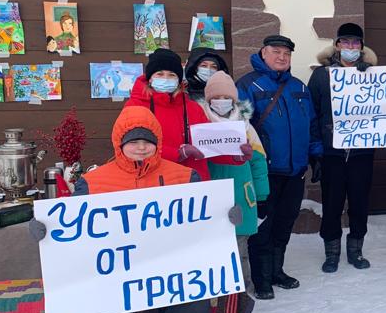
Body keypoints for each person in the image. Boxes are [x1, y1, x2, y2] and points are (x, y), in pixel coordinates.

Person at [39, 107, 229, 313]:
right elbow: (73, 227)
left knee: (195, 307)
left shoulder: (184, 175)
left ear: (157, 141)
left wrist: (226, 216)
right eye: (132, 140)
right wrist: (47, 230)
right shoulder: (94, 181)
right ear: (119, 143)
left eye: (147, 140)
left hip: (172, 273)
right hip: (117, 276)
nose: (141, 146)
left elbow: (205, 221)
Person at [237, 35, 321, 299]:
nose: (282, 57)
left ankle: (277, 271)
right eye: (276, 52)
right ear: (263, 53)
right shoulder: (247, 86)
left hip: (295, 171)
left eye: (287, 53)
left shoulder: (299, 87)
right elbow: (240, 129)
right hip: (265, 172)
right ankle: (261, 279)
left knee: (284, 223)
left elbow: (312, 125)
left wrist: (315, 155)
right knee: (263, 226)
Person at [309, 23, 379, 273]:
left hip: (361, 152)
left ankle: (355, 249)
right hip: (332, 153)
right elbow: (313, 113)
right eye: (346, 42)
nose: (351, 47)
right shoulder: (321, 75)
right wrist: (317, 150)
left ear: (361, 47)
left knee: (360, 202)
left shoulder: (372, 73)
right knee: (332, 203)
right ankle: (332, 251)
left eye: (355, 43)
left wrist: (367, 76)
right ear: (337, 45)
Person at [126, 48, 248, 182]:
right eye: (160, 74)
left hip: (193, 182)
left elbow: (209, 144)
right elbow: (132, 147)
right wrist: (177, 154)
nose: (166, 79)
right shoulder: (135, 106)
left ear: (179, 79)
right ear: (150, 78)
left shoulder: (193, 108)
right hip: (154, 184)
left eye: (172, 75)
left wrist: (236, 154)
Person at [200, 72, 270, 296]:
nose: (221, 101)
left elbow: (259, 161)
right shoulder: (199, 123)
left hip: (241, 195)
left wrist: (261, 194)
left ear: (234, 98)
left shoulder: (245, 126)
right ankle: (218, 292)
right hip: (210, 196)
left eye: (226, 96)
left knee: (240, 248)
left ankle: (242, 292)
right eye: (216, 96)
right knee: (212, 246)